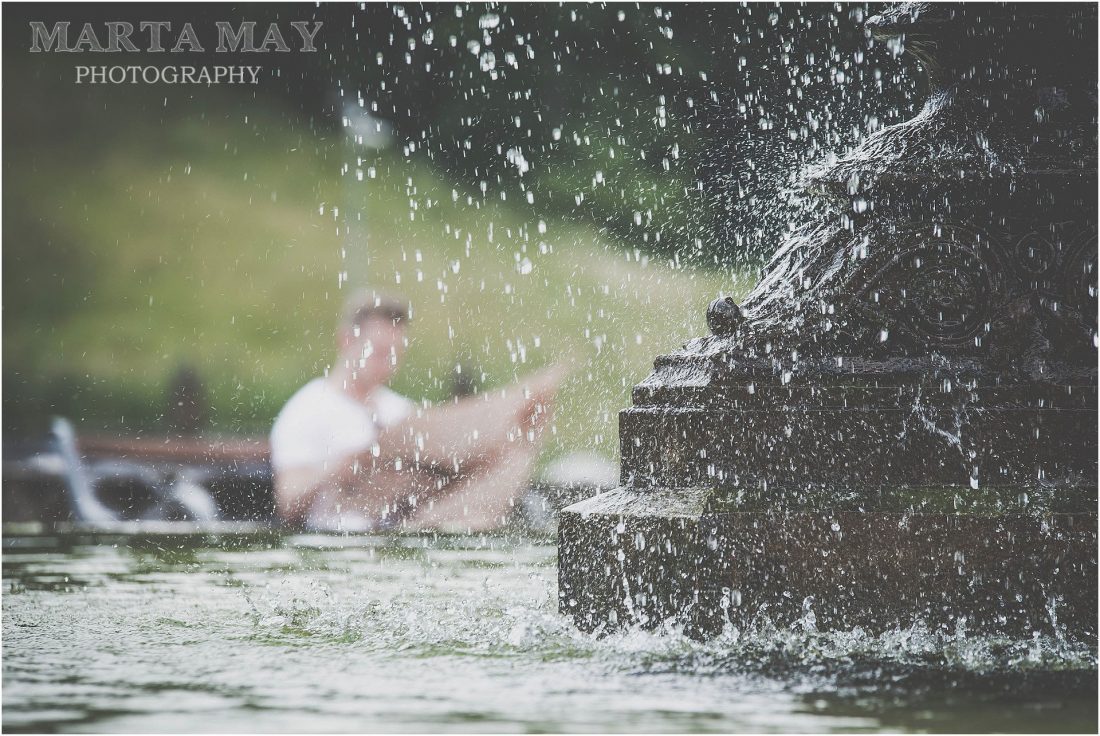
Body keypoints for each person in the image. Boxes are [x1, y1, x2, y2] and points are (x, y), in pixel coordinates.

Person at [269, 289, 566, 533]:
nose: (389, 363)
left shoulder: (399, 409)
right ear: (347, 341)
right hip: (338, 537)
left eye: (397, 353)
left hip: (405, 531)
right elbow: (288, 503)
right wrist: (339, 469)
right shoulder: (307, 410)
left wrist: (511, 435)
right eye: (380, 352)